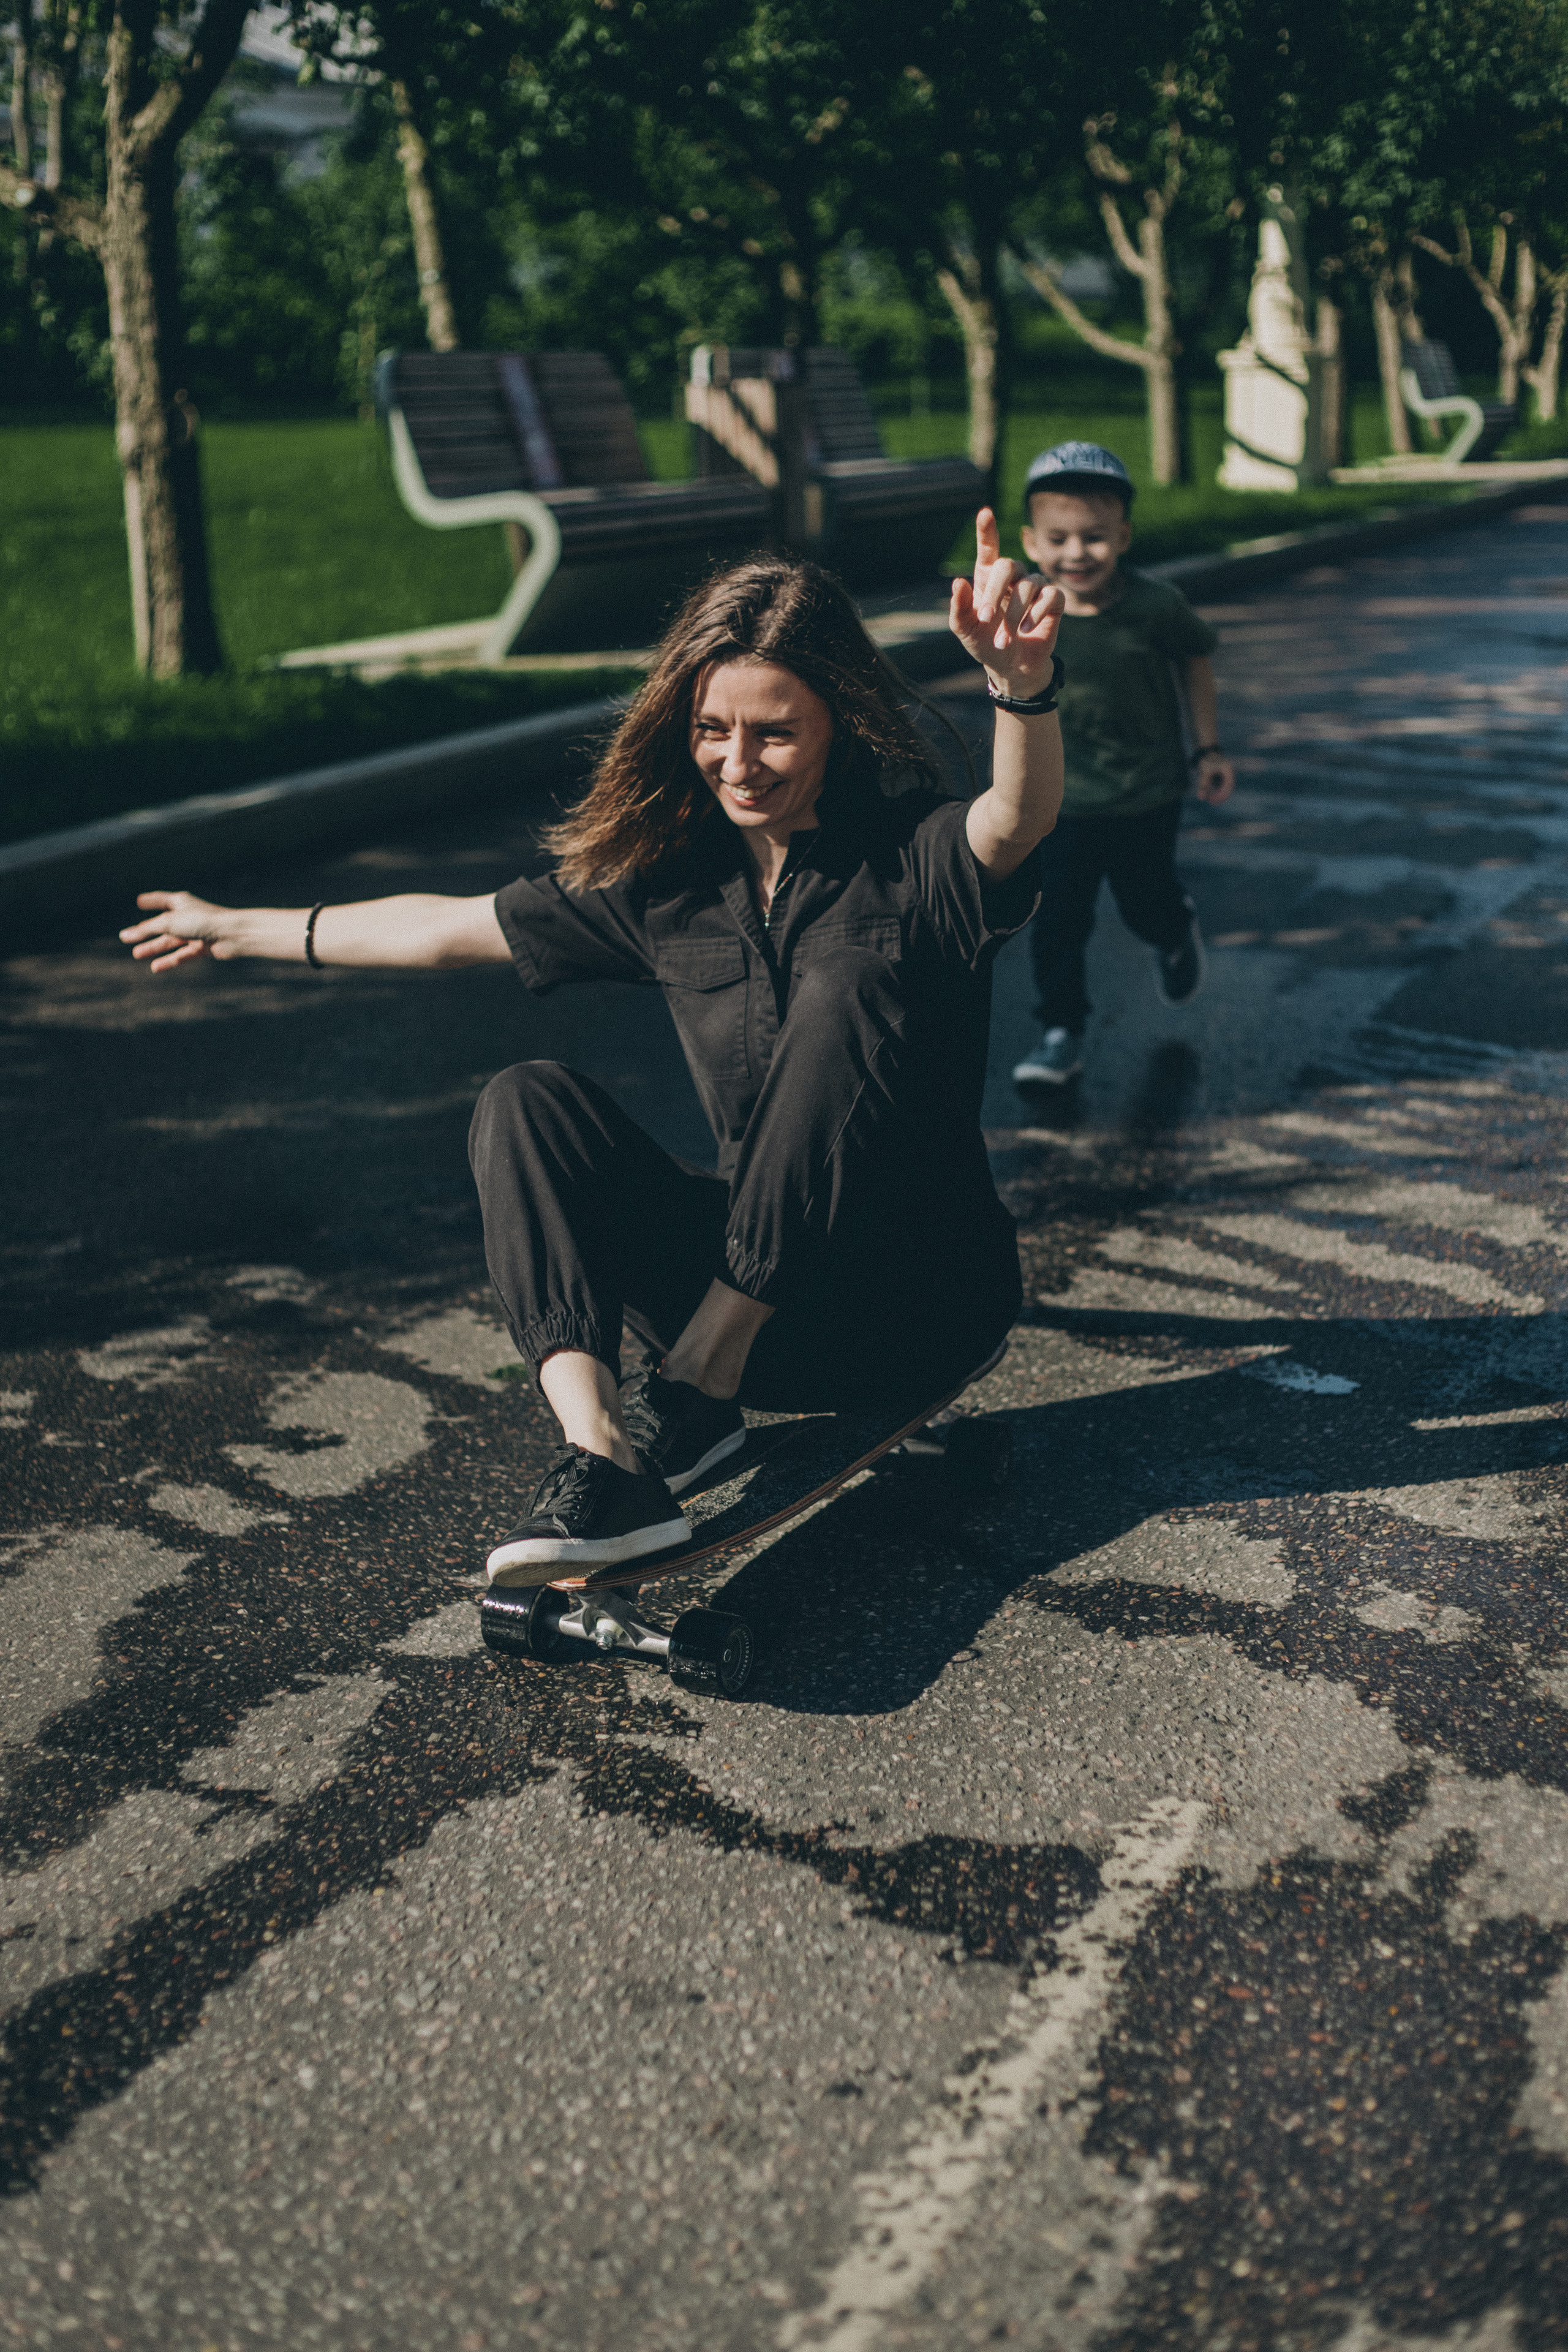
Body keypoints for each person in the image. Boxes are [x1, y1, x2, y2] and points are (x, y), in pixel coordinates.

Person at [121, 513, 1065, 1583]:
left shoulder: (913, 857)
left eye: (775, 734)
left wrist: (1022, 689)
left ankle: (699, 1380)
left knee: (849, 985)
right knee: (526, 1102)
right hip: (777, 1319)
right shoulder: (676, 887)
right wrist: (236, 928)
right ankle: (604, 1453)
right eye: (712, 729)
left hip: (923, 1300)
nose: (738, 764)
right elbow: (445, 929)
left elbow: (1015, 820)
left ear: (839, 725)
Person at [1007, 441, 1236, 1090]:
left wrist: (1208, 749)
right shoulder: (1027, 612)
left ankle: (1172, 931)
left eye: (1095, 537)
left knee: (1143, 904)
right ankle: (1060, 1032)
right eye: (1058, 539)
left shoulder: (1155, 605)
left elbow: (1195, 660)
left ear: (1124, 537)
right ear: (1032, 541)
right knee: (1058, 921)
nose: (1077, 553)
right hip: (1060, 801)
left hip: (1146, 793)